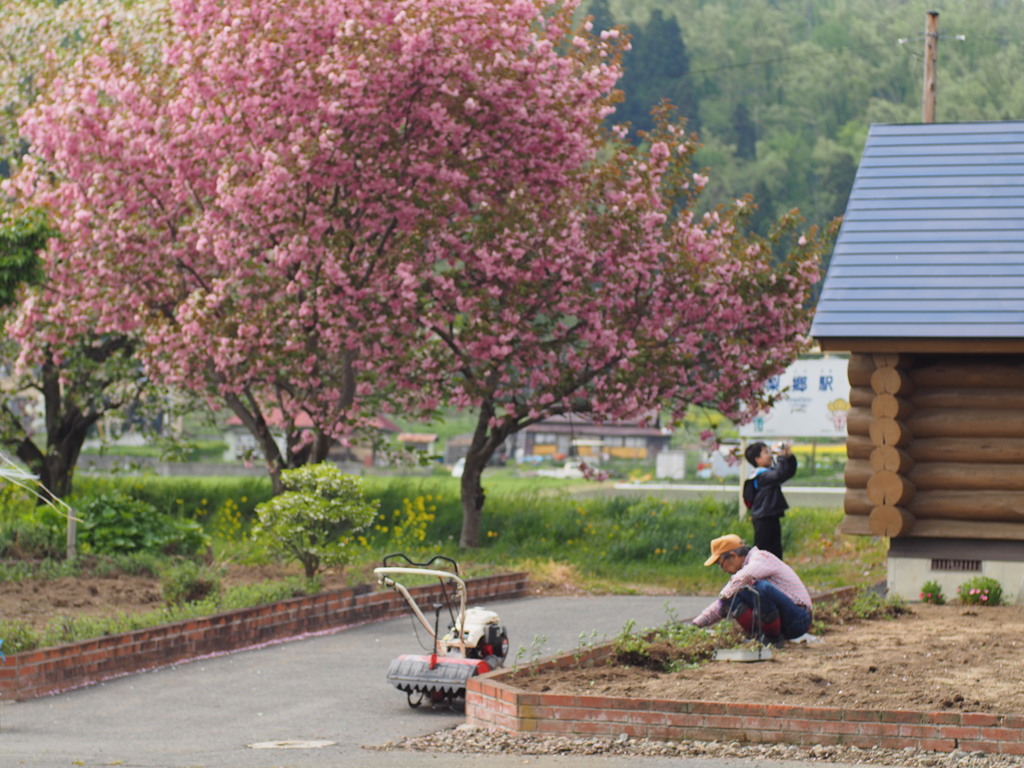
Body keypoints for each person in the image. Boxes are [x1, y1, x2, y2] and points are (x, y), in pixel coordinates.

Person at [690, 533, 812, 647]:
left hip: (798, 619)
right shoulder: (743, 574)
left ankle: (773, 640)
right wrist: (694, 625)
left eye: (720, 564)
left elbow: (744, 578)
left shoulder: (760, 558)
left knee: (761, 588)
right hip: (783, 620)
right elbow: (722, 604)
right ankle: (761, 638)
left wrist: (724, 596)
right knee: (734, 595)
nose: (722, 570)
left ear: (733, 556)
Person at [743, 440, 796, 560]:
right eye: (766, 452)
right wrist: (781, 457)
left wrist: (789, 457)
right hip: (763, 519)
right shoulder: (761, 476)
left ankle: (775, 577)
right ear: (757, 459)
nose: (770, 455)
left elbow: (786, 473)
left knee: (775, 553)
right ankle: (759, 576)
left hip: (770, 517)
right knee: (763, 554)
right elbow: (780, 473)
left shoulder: (767, 474)